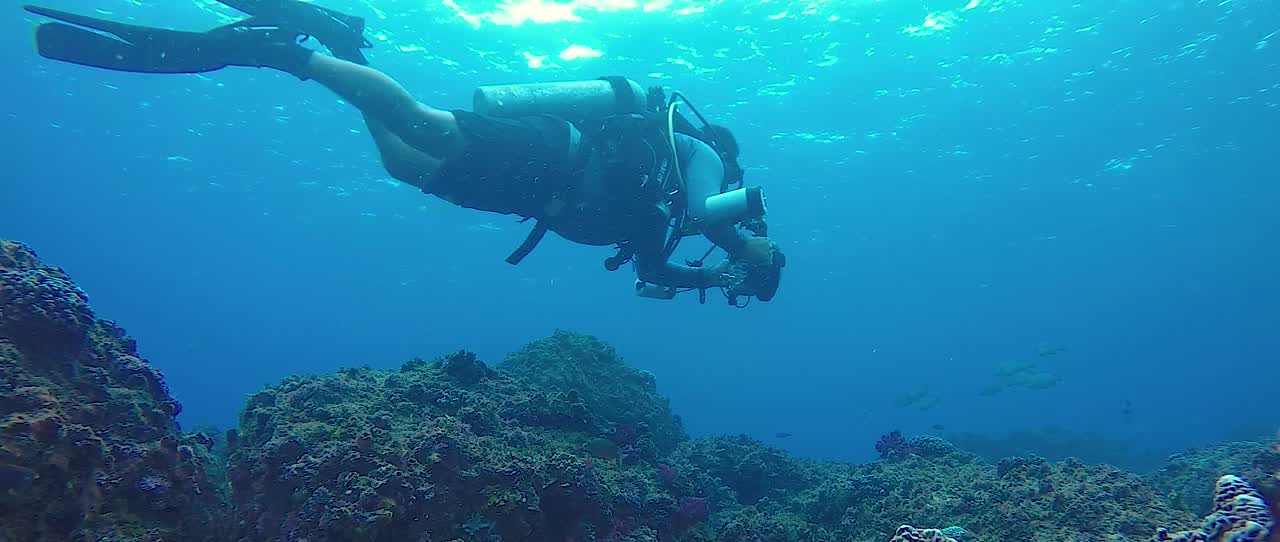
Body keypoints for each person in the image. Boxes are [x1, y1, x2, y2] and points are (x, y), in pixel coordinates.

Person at [24, 0, 785, 304]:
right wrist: (745, 245)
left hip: (534, 196)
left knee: (404, 165)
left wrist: (704, 278)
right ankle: (281, 54)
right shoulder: (704, 161)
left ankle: (330, 44)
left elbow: (651, 268)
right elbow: (701, 208)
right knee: (421, 121)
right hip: (555, 154)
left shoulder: (669, 216)